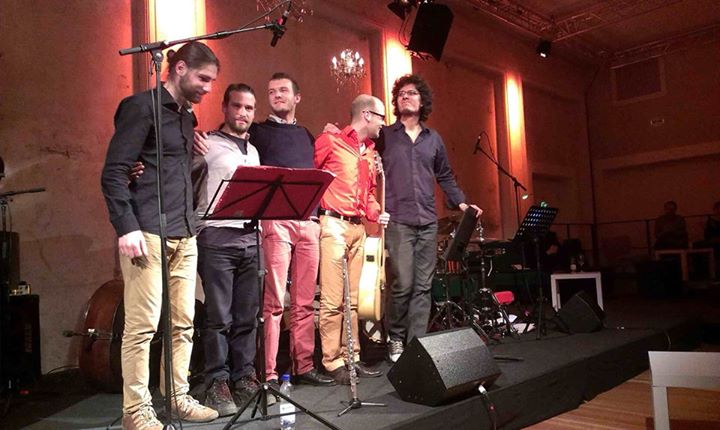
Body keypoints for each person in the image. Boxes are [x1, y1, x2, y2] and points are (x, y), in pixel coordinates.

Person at [100, 42, 220, 430]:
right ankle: (135, 411)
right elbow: (113, 173)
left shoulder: (187, 118)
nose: (208, 88)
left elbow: (171, 172)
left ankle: (176, 397)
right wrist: (126, 226)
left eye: (212, 81)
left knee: (183, 324)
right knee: (142, 327)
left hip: (184, 231)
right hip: (147, 230)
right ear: (179, 68)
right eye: (203, 79)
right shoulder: (140, 107)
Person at [194, 73, 333, 387]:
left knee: (293, 304)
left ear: (297, 97)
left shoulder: (292, 138)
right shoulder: (249, 134)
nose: (277, 95)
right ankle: (260, 373)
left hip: (296, 223)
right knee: (264, 305)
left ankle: (295, 367)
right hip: (255, 226)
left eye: (283, 90)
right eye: (271, 92)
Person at [379, 74, 481, 363]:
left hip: (427, 221)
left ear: (422, 101)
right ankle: (396, 337)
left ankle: (417, 344)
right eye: (401, 93)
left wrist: (461, 202)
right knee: (403, 283)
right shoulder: (384, 136)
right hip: (398, 220)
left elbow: (445, 175)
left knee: (423, 286)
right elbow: (361, 152)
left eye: (411, 93)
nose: (405, 96)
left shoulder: (433, 139)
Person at [192, 84, 263, 416]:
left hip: (251, 239)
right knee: (219, 317)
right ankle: (216, 381)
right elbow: (187, 183)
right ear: (224, 107)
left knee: (247, 316)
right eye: (237, 106)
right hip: (217, 238)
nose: (243, 113)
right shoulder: (206, 143)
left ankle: (243, 375)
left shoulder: (254, 150)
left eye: (249, 108)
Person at [314, 94, 390, 384]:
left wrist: (377, 212)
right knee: (333, 300)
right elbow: (311, 176)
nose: (384, 124)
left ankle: (352, 357)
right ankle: (332, 361)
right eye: (381, 117)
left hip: (358, 228)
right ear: (367, 115)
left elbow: (368, 193)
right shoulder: (330, 141)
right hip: (333, 223)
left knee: (355, 301)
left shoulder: (369, 152)